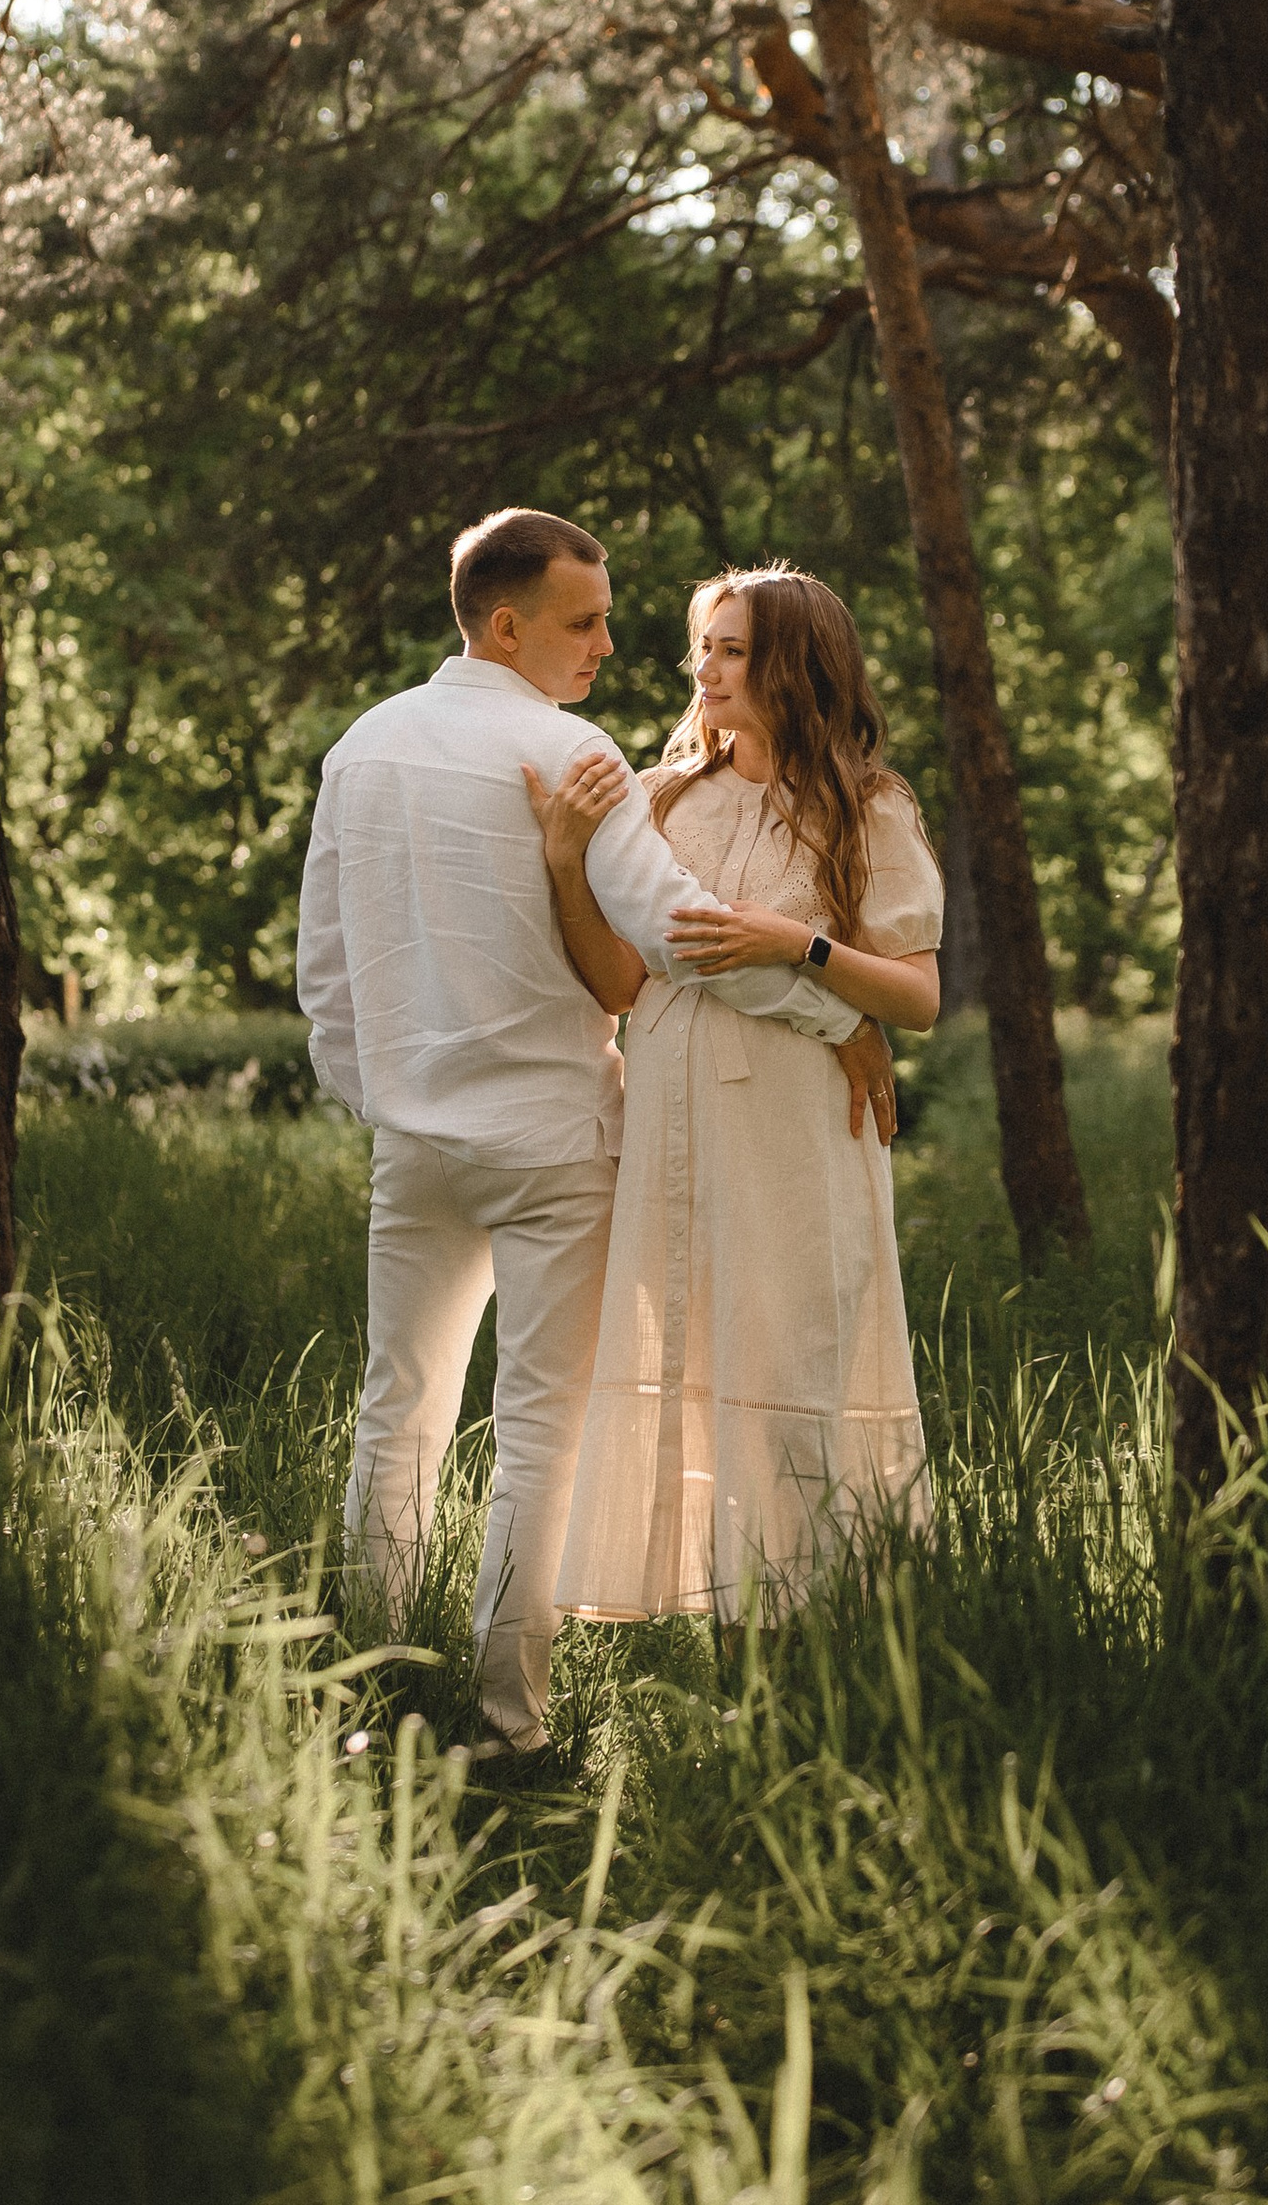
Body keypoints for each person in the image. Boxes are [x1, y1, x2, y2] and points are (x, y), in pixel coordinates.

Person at [294, 508, 896, 1756]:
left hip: (414, 1147)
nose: (609, 647)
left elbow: (326, 976)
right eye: (585, 622)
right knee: (536, 1436)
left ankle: (364, 1688)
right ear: (506, 624)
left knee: (394, 1412)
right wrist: (833, 1015)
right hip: (553, 1144)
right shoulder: (573, 755)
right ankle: (508, 1724)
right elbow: (682, 934)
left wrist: (382, 1097)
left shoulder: (363, 748)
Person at [538, 567, 943, 1628]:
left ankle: (805, 1625)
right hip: (671, 1116)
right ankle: (707, 1620)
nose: (703, 669)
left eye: (731, 649)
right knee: (683, 1350)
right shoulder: (660, 797)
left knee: (787, 1357)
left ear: (795, 664)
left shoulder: (869, 805)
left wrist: (801, 945)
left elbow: (917, 996)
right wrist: (569, 867)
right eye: (703, 647)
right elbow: (621, 982)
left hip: (797, 1128)